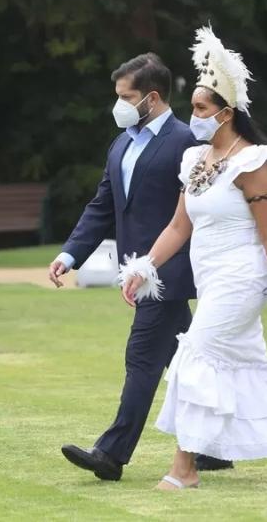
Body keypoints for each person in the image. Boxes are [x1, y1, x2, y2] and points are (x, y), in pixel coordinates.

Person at [120, 26, 267, 490]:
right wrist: (144, 267)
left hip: (242, 278)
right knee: (251, 368)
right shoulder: (195, 158)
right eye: (194, 106)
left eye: (201, 109)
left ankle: (185, 467)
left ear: (226, 111)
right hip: (211, 275)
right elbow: (180, 225)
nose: (193, 116)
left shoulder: (254, 162)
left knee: (194, 354)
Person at [48, 52, 232, 481]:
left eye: (126, 96)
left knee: (142, 357)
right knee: (187, 358)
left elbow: (200, 212)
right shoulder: (121, 143)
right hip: (135, 268)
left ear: (151, 97)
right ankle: (214, 447)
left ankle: (111, 455)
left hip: (168, 274)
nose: (119, 104)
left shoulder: (187, 141)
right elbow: (103, 207)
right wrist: (68, 254)